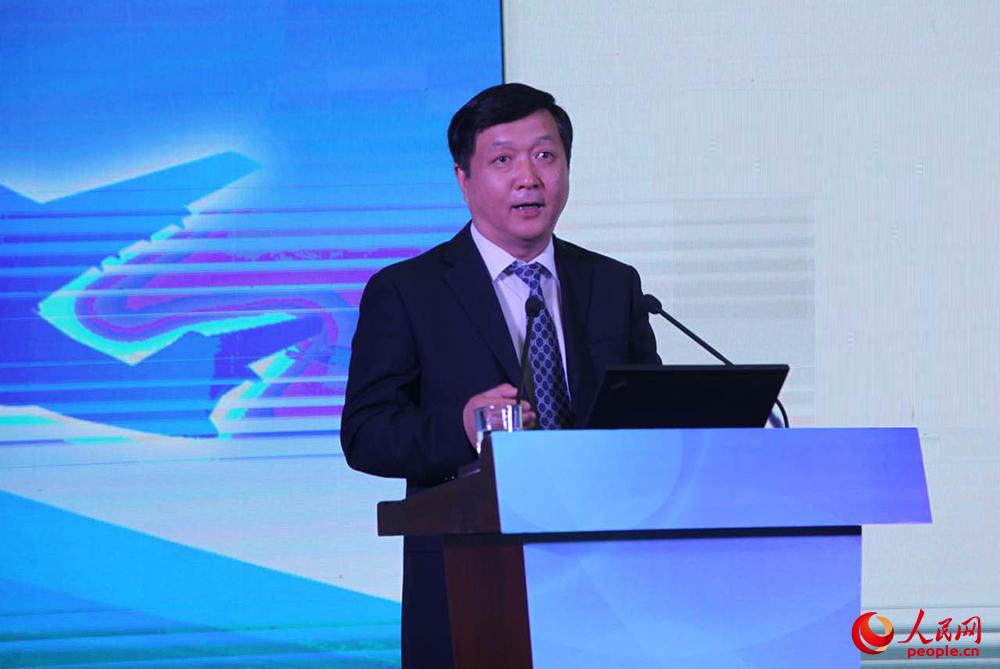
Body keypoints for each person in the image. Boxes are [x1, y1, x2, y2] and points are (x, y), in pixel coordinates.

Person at [340, 82, 660, 668]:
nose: (529, 178)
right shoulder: (407, 292)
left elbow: (649, 419)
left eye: (545, 155)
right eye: (504, 159)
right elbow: (365, 434)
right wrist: (462, 427)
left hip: (607, 581)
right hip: (471, 583)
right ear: (463, 179)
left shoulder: (614, 284)